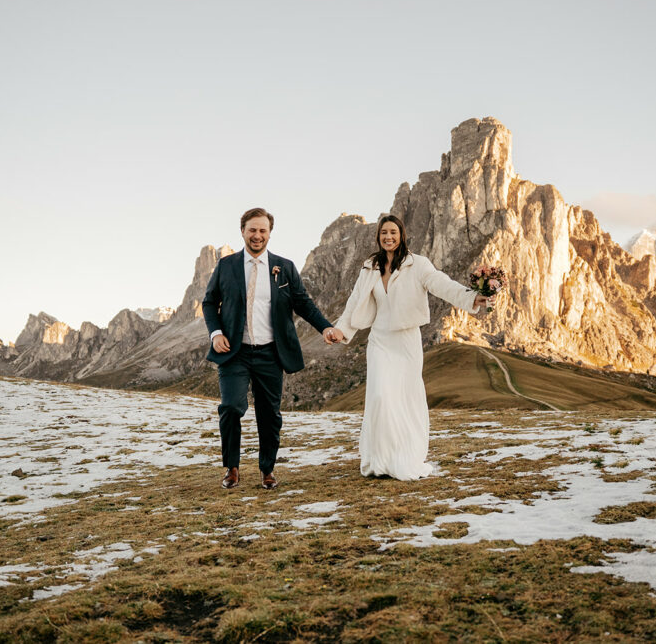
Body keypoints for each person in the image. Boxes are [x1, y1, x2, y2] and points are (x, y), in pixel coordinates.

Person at [332, 215, 491, 480]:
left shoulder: (417, 264)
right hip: (379, 340)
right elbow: (355, 300)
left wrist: (471, 297)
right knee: (381, 396)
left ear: (401, 234)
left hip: (406, 341)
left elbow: (442, 284)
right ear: (378, 236)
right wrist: (340, 330)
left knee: (405, 398)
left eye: (393, 232)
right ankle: (379, 460)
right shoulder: (370, 266)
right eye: (384, 233)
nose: (388, 237)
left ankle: (404, 456)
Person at [202, 207, 341, 490]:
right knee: (231, 406)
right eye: (252, 230)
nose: (257, 235)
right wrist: (215, 333)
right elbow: (209, 302)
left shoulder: (284, 267)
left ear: (269, 233)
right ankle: (231, 467)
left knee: (270, 415)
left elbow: (303, 303)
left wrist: (325, 327)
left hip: (270, 353)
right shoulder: (226, 266)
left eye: (262, 230)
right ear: (242, 231)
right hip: (235, 352)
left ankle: (267, 470)